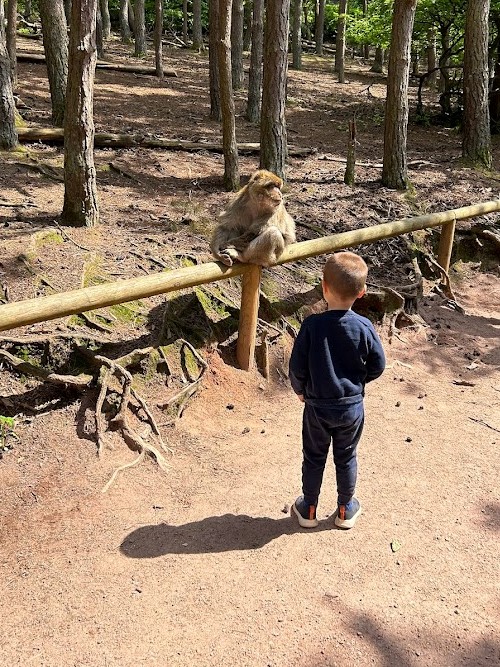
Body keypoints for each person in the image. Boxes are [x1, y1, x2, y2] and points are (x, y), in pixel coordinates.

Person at [289, 251, 386, 529]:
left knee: (314, 456)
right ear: (362, 292)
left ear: (324, 287)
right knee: (346, 456)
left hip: (317, 407)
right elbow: (378, 364)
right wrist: (357, 383)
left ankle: (308, 508)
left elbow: (297, 367)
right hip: (351, 407)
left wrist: (301, 390)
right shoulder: (364, 327)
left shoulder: (311, 326)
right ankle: (345, 509)